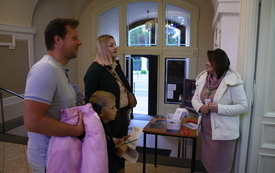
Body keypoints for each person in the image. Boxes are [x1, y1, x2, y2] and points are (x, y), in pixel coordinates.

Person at [23, 18, 84, 172]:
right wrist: (76, 130)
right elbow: (33, 122)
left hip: (60, 155)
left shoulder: (58, 69)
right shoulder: (45, 69)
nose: (79, 42)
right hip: (48, 160)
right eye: (74, 38)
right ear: (58, 40)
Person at [191, 48, 248, 173]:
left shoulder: (233, 80)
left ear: (219, 62)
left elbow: (243, 106)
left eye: (210, 61)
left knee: (220, 167)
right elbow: (195, 98)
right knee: (207, 164)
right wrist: (200, 107)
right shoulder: (203, 78)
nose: (206, 63)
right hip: (206, 131)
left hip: (223, 135)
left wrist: (219, 108)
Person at [84, 34, 132, 172]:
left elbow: (126, 87)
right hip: (108, 119)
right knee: (110, 152)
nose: (116, 47)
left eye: (115, 44)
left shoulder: (115, 66)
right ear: (102, 49)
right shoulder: (95, 70)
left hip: (122, 114)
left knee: (122, 148)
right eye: (111, 45)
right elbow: (90, 100)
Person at [89, 90, 130, 173]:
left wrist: (115, 141)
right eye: (112, 108)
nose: (116, 110)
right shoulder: (97, 133)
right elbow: (108, 165)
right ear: (101, 112)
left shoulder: (103, 125)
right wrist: (118, 153)